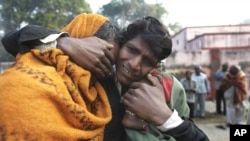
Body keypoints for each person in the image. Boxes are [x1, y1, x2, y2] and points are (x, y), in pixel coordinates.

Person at [1, 14, 209, 141]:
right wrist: (66, 43)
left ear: (155, 66)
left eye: (147, 61)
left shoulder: (165, 89)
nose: (135, 65)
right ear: (118, 48)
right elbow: (11, 39)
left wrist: (165, 118)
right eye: (132, 50)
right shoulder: (99, 75)